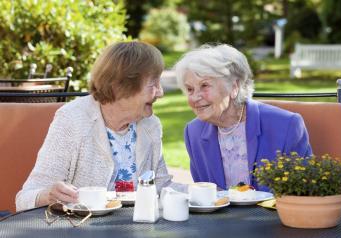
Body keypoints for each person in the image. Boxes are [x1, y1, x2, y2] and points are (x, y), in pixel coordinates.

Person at [16, 41, 184, 211]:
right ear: (121, 86)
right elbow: (25, 198)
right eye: (153, 83)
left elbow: (162, 187)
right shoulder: (72, 120)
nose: (161, 92)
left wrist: (207, 194)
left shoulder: (150, 125)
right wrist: (49, 195)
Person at [174, 44, 312, 191]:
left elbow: (304, 191)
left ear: (234, 87)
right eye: (190, 89)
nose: (195, 97)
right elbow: (205, 194)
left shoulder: (286, 125)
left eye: (205, 85)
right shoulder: (193, 132)